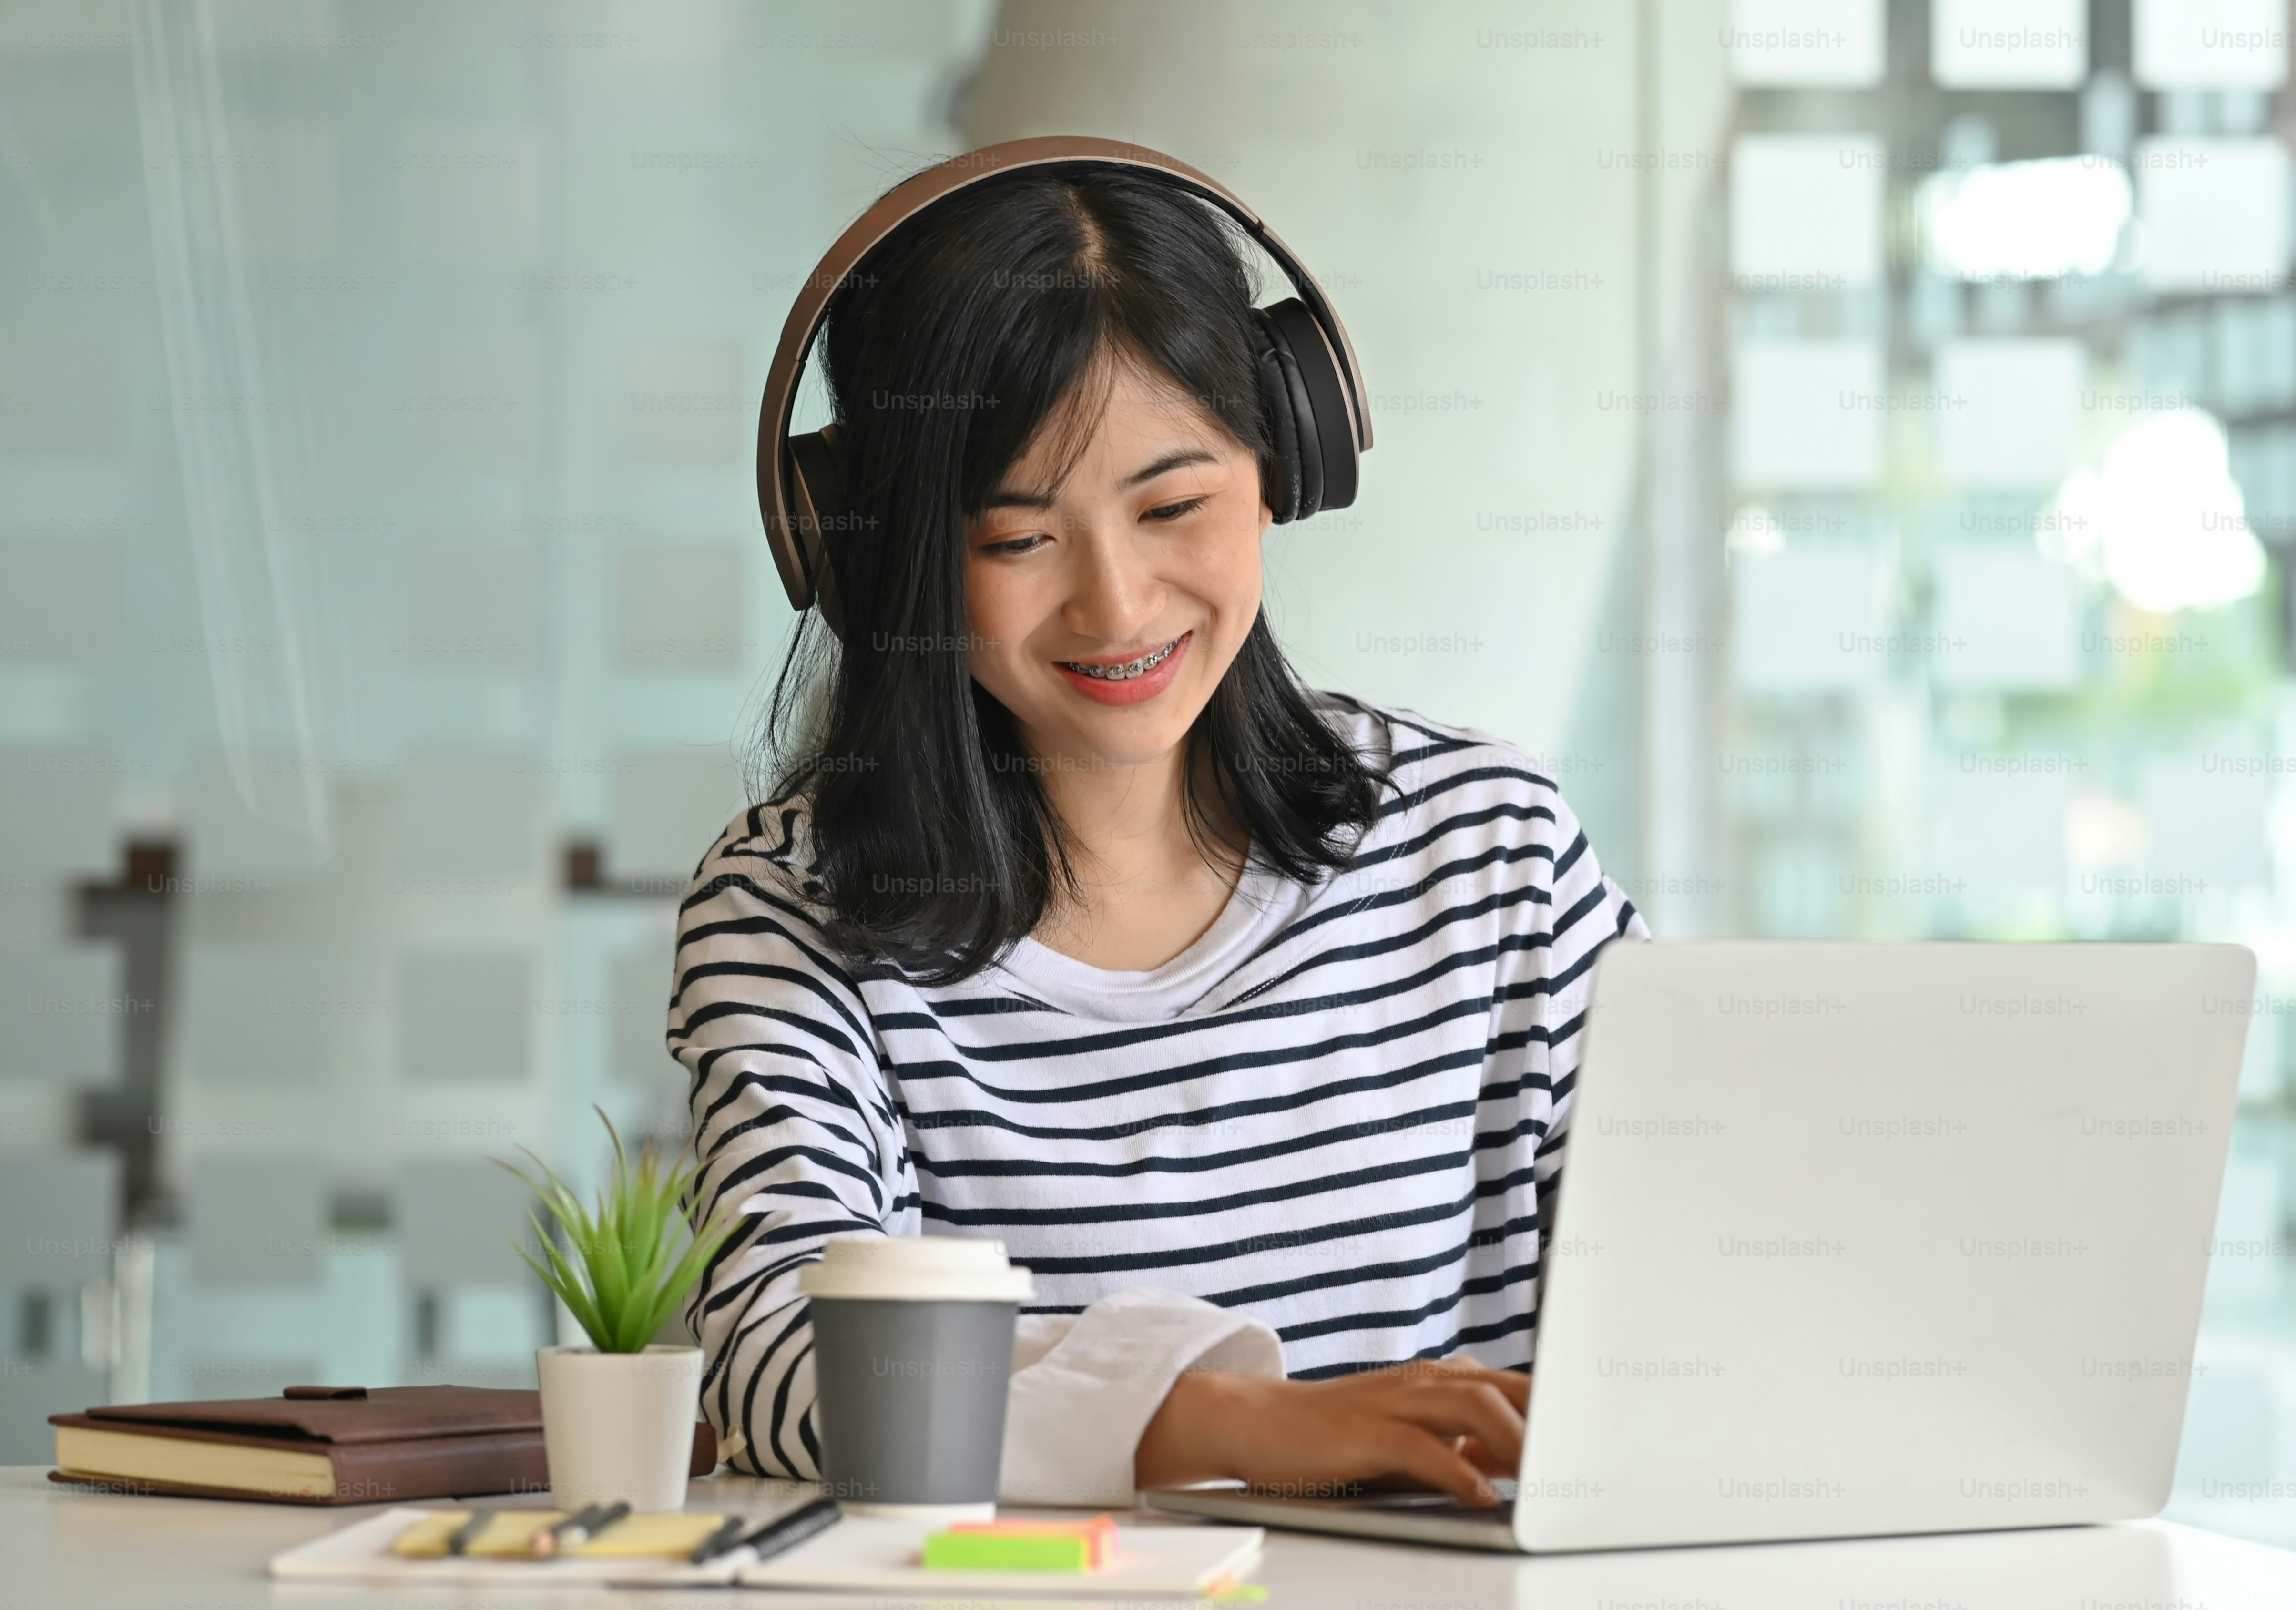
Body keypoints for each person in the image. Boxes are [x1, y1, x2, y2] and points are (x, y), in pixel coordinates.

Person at [670, 156, 1643, 1510]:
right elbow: (780, 1367)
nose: (1116, 606)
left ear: (1281, 465)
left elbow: (1698, 1273)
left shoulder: (1493, 849)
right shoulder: (786, 909)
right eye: (1017, 539)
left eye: (1173, 506)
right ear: (881, 553)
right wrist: (1243, 1424)